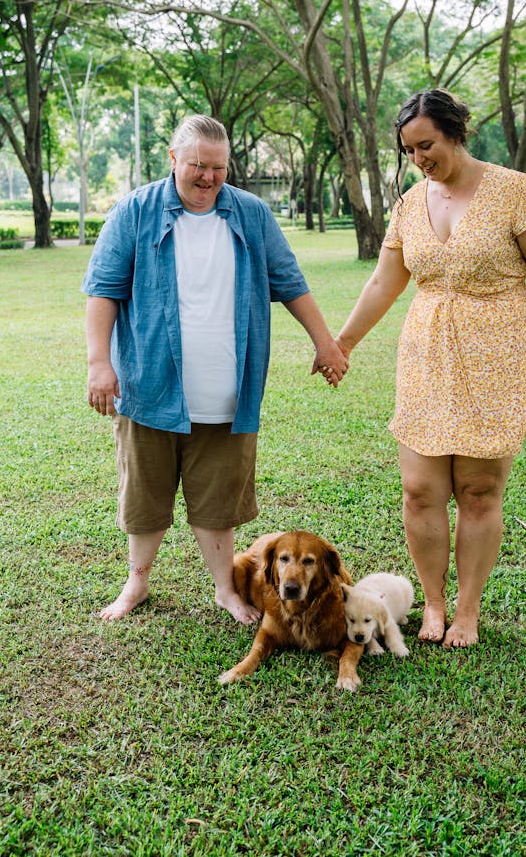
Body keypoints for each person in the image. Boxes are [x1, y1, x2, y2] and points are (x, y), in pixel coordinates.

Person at [335, 89, 526, 649]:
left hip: (497, 352)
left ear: (456, 132)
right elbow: (385, 280)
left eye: (425, 146)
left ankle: (467, 612)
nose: (419, 160)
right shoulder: (411, 203)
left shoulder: (516, 191)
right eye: (409, 151)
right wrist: (344, 342)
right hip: (428, 352)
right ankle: (433, 605)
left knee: (478, 490)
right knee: (419, 490)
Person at [83, 114, 348, 624]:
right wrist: (99, 363)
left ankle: (226, 591)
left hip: (229, 393)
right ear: (173, 160)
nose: (207, 178)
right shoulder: (134, 212)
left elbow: (289, 280)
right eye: (197, 167)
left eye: (219, 169)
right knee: (145, 500)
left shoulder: (250, 213)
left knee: (218, 505)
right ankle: (136, 584)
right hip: (150, 387)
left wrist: (326, 344)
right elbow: (103, 290)